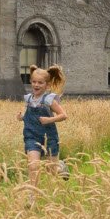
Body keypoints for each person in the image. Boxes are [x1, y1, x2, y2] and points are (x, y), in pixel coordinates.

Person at [16, 64, 69, 192]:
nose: (36, 85)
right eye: (34, 82)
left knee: (52, 170)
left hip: (49, 137)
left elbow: (63, 115)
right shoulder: (28, 99)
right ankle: (32, 196)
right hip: (32, 137)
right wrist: (22, 117)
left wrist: (50, 119)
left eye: (40, 82)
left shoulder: (49, 100)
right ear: (30, 82)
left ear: (47, 85)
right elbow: (30, 116)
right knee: (33, 166)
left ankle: (60, 167)